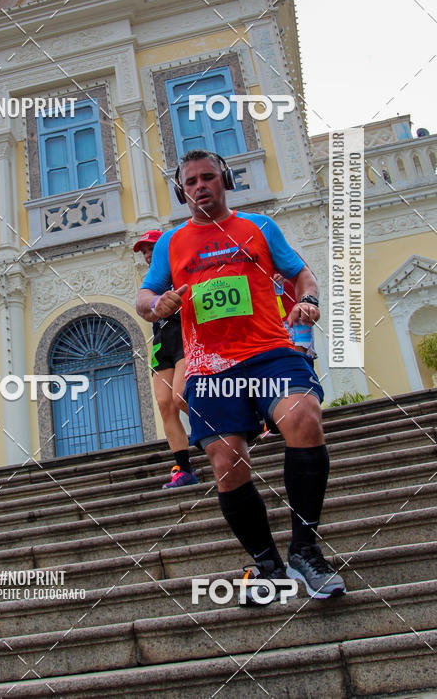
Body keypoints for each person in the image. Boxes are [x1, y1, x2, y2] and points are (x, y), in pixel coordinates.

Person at [136, 149, 346, 602]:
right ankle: (268, 565)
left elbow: (301, 274)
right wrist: (157, 305)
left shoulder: (259, 227)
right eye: (190, 182)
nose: (200, 187)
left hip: (270, 352)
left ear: (225, 179)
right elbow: (144, 298)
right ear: (181, 191)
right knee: (226, 463)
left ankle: (305, 551)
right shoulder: (171, 243)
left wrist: (308, 301)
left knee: (303, 416)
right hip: (210, 367)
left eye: (208, 177)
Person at [134, 230, 198, 489]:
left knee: (180, 396)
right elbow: (146, 312)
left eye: (151, 248)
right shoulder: (150, 282)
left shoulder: (182, 268)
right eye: (144, 251)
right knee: (164, 404)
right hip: (161, 341)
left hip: (184, 335)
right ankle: (184, 469)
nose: (148, 255)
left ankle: (222, 426)